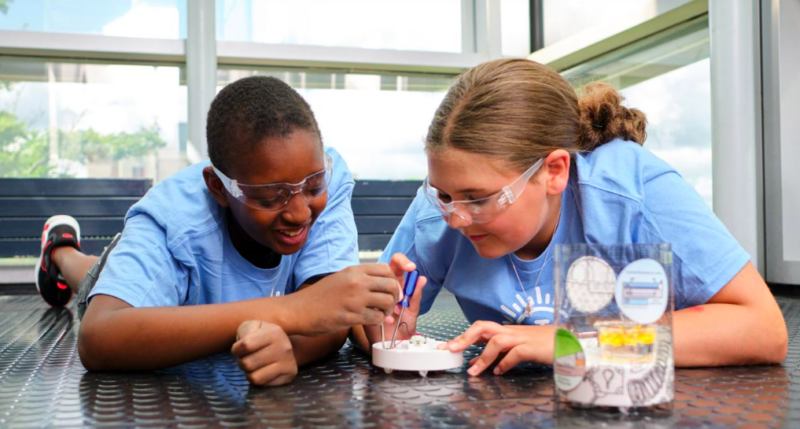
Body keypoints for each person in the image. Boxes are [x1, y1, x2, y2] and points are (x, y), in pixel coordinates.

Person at [354, 58, 787, 375]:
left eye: (479, 199)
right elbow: (364, 322)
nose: (456, 218)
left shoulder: (632, 190)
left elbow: (762, 328)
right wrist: (387, 331)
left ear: (554, 171)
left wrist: (567, 340)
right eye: (444, 194)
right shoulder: (442, 207)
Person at [35, 76, 401, 386]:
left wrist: (290, 348)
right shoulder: (169, 220)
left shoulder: (327, 176)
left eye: (312, 187)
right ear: (218, 188)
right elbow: (100, 337)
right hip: (177, 293)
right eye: (272, 197)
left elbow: (328, 317)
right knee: (97, 281)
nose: (300, 212)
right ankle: (59, 251)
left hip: (227, 306)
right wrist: (293, 310)